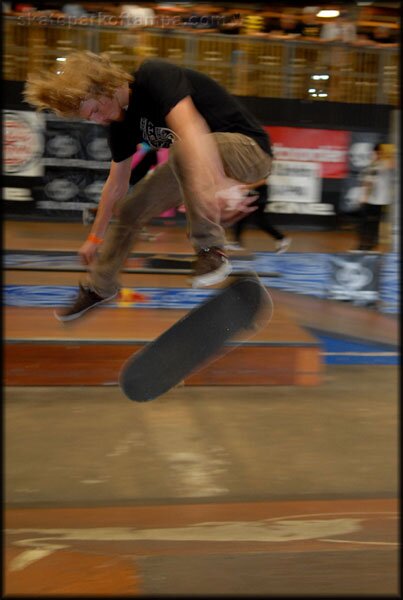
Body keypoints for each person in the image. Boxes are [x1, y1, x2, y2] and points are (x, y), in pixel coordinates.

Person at [24, 51, 273, 321]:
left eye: (95, 110)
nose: (97, 119)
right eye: (89, 118)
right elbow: (116, 184)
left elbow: (190, 127)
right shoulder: (120, 125)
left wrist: (220, 184)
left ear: (104, 86)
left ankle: (210, 250)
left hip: (249, 150)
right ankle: (100, 286)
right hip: (196, 161)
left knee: (182, 148)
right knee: (131, 209)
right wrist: (94, 238)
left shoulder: (154, 76)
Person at [225, 179, 291, 253]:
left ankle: (281, 238)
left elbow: (264, 180)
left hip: (259, 197)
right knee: (246, 218)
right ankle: (281, 238)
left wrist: (249, 186)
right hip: (255, 195)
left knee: (254, 219)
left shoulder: (261, 169)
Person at [355, 143, 392, 251]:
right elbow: (365, 181)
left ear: (377, 153)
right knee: (371, 222)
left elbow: (369, 182)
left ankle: (366, 244)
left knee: (369, 223)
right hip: (374, 199)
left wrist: (364, 196)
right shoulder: (373, 165)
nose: (372, 155)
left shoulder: (382, 164)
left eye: (375, 153)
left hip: (375, 200)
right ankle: (369, 243)